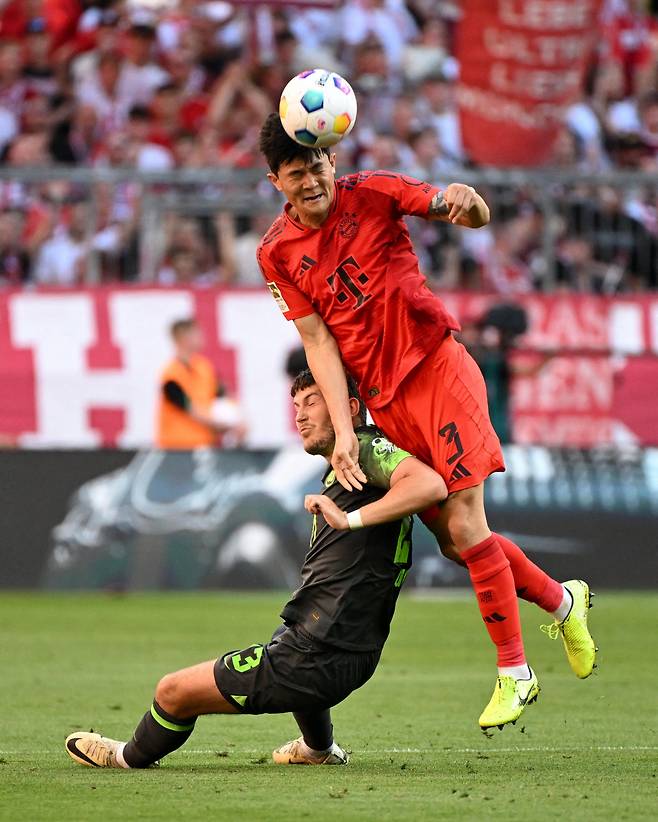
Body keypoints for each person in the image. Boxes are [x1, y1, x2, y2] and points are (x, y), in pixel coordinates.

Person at [256, 113, 597, 731]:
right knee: (452, 538)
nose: (312, 180)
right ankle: (562, 599)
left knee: (468, 523)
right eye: (296, 172)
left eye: (318, 165)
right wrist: (345, 435)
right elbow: (318, 344)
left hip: (437, 369)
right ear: (276, 180)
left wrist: (469, 207)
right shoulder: (276, 252)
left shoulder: (375, 190)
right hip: (386, 401)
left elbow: (454, 208)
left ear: (333, 161)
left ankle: (515, 673)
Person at [65, 371, 447, 769]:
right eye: (295, 406)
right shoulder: (348, 466)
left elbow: (428, 485)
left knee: (173, 692)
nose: (299, 416)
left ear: (350, 408)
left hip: (321, 654)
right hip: (340, 646)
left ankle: (126, 757)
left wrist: (349, 520)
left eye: (312, 402)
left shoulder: (367, 450)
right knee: (290, 629)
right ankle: (318, 750)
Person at [156, 317, 245, 449]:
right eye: (196, 333)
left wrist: (239, 420)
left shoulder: (204, 368)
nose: (202, 337)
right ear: (183, 338)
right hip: (176, 448)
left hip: (204, 445)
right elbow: (187, 407)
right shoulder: (171, 374)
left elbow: (222, 395)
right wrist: (223, 424)